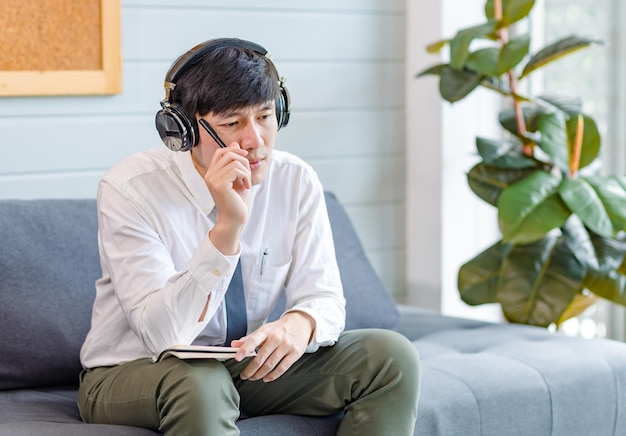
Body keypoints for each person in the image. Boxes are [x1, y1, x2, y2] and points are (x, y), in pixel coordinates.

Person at [78, 37, 420, 435]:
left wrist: (300, 324)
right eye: (231, 123)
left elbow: (323, 297)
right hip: (134, 372)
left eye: (265, 116)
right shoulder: (130, 188)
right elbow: (162, 335)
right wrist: (227, 228)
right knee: (201, 382)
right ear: (184, 130)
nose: (255, 141)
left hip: (236, 367)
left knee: (390, 356)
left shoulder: (295, 180)